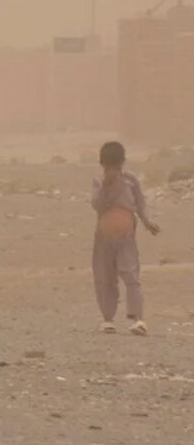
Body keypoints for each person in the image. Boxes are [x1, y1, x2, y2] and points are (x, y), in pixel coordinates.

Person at [91, 141, 160, 336]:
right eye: (108, 167)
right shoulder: (98, 182)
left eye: (116, 166)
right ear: (102, 165)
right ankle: (108, 319)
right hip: (104, 238)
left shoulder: (130, 180)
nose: (113, 170)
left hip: (126, 237)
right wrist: (106, 185)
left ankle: (138, 319)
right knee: (105, 277)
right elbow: (97, 205)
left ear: (122, 163)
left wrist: (147, 222)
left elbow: (139, 203)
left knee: (131, 275)